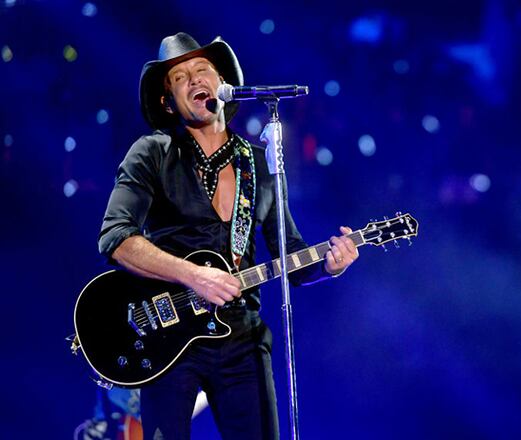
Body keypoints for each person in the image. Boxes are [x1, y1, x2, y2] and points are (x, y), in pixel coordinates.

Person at [97, 32, 358, 440]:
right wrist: (192, 275)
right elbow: (115, 238)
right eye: (180, 77)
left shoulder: (259, 165)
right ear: (168, 102)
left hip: (242, 340)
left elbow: (291, 256)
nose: (194, 78)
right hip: (168, 337)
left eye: (203, 69)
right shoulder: (152, 152)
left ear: (222, 84)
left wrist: (329, 266)